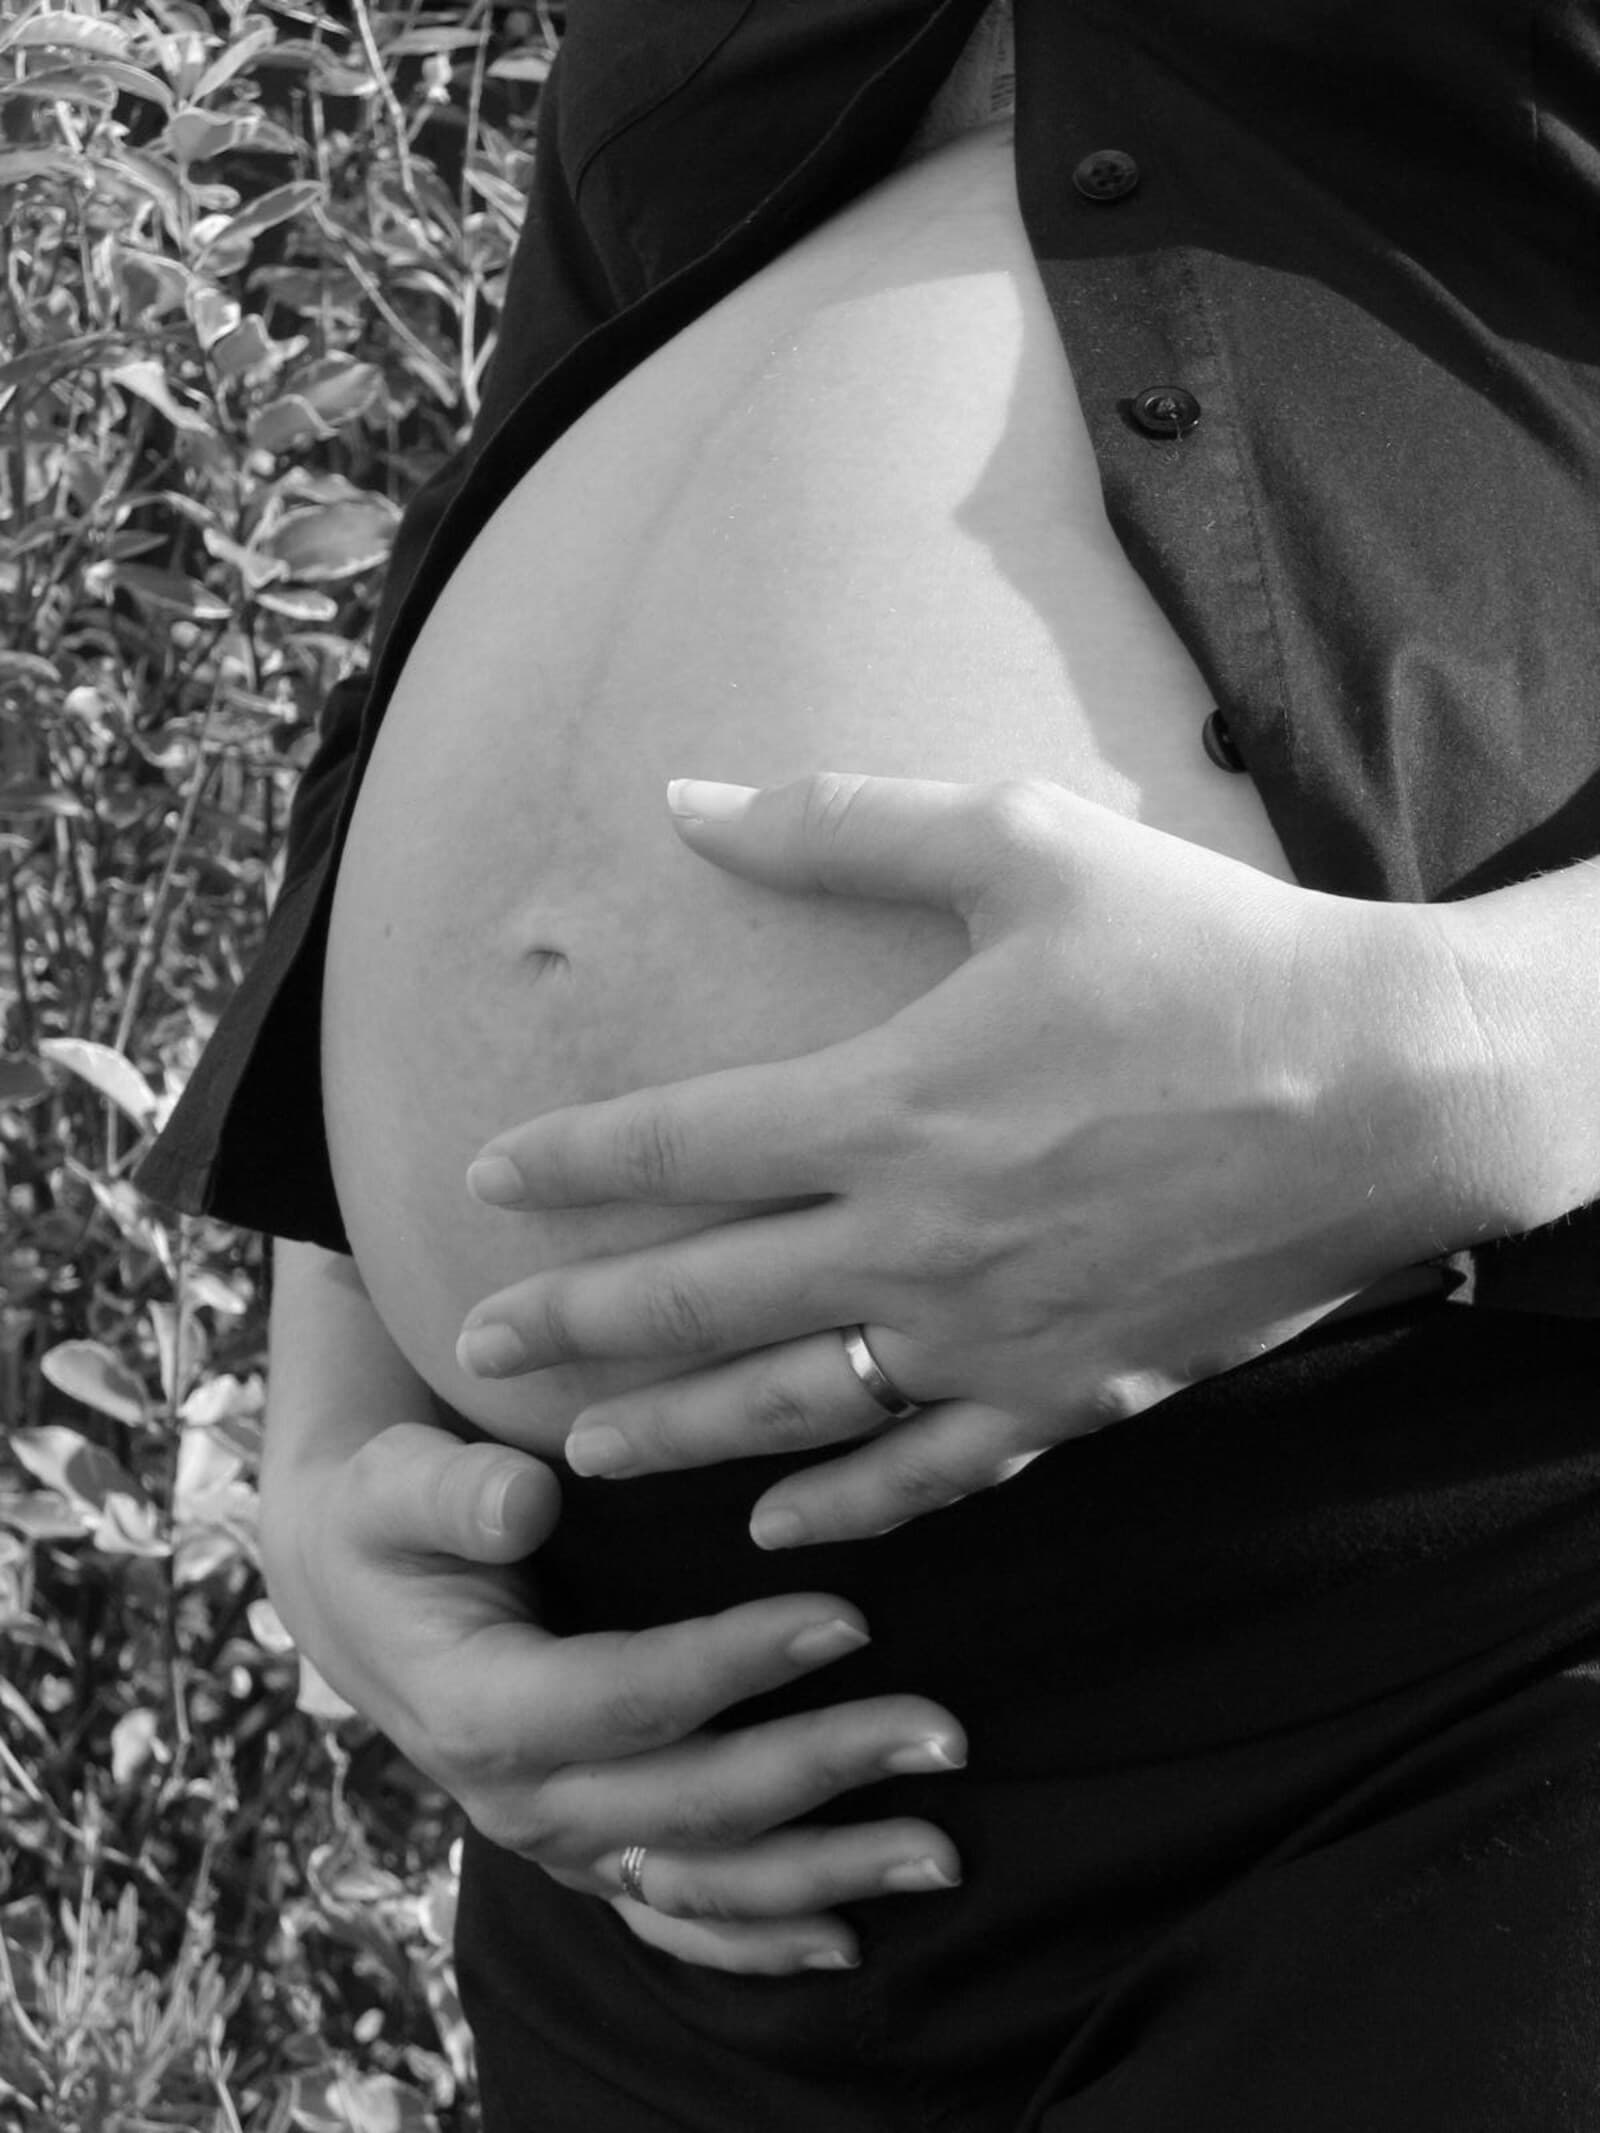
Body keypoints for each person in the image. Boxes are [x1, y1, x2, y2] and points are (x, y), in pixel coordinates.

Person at [139, 0, 1600, 2126]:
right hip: (664, 1810)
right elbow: (529, 447)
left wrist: (1470, 1051)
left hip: (1455, 1638)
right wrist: (339, 1384)